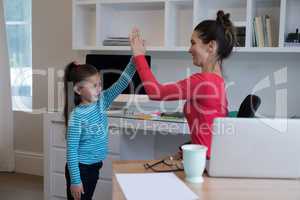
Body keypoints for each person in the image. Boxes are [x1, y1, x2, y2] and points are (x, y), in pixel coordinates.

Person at [130, 10, 236, 159]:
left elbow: (156, 92)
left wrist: (139, 56)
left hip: (205, 163)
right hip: (205, 159)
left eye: (193, 43)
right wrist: (188, 147)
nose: (189, 49)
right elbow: (208, 131)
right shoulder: (217, 81)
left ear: (211, 46)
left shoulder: (205, 82)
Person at [63, 59, 135, 200]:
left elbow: (122, 83)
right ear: (78, 90)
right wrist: (76, 181)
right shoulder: (77, 116)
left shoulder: (102, 101)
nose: (99, 89)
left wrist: (135, 60)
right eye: (94, 86)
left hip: (94, 166)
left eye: (99, 84)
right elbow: (71, 152)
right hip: (80, 169)